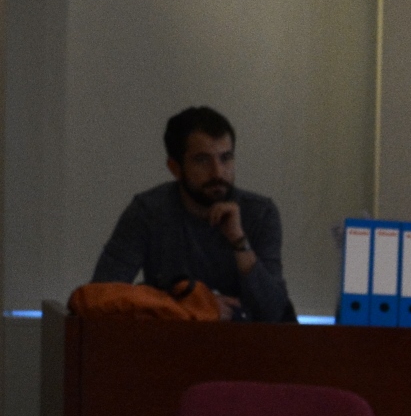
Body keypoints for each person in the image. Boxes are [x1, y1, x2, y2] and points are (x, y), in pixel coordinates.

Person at [91, 106, 295, 322]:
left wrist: (239, 241)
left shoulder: (260, 213)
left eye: (226, 158)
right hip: (171, 339)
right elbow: (99, 297)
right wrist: (195, 305)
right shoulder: (149, 211)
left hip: (246, 341)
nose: (218, 172)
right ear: (175, 168)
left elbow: (275, 314)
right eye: (202, 160)